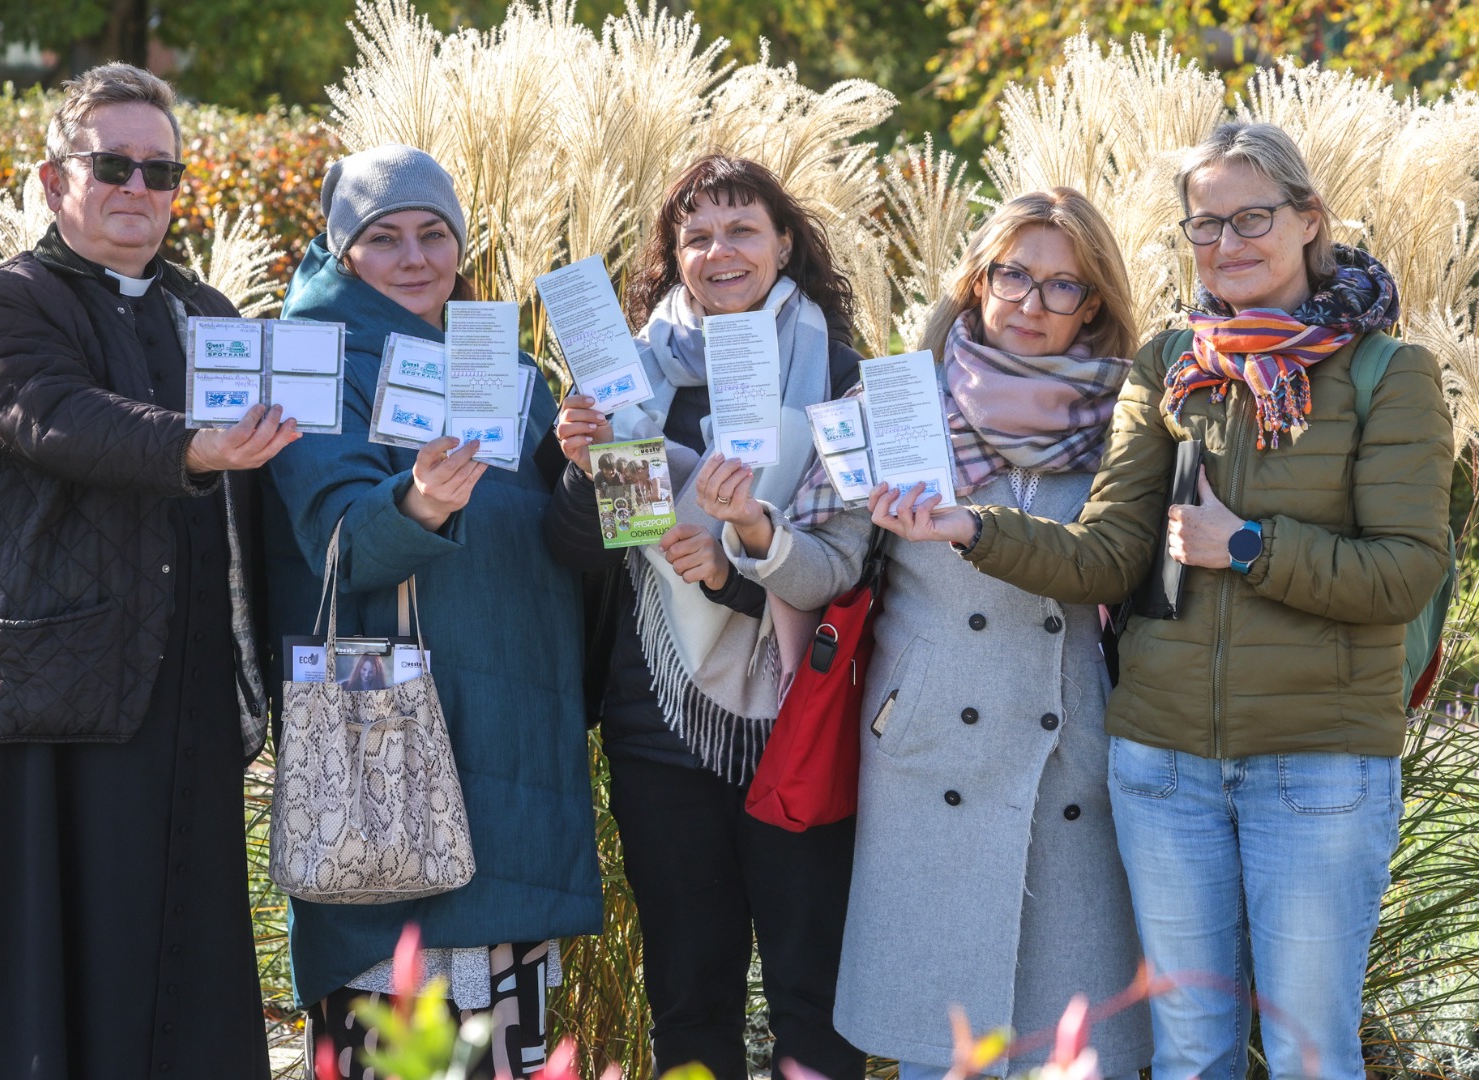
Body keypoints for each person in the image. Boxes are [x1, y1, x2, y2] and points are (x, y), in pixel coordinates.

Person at [907, 123, 1453, 1080]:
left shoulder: (1386, 374)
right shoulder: (1171, 365)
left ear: (1307, 220)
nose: (1227, 243)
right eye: (1205, 225)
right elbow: (1109, 556)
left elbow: (1404, 573)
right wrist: (971, 528)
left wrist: (1246, 546)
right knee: (1189, 1051)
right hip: (1164, 770)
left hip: (1317, 769)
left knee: (1308, 1051)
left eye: (1251, 218)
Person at [0, 64, 297, 1080]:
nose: (136, 187)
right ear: (51, 178)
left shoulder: (209, 313)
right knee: (29, 1004)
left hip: (179, 710)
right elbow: (60, 421)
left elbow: (278, 473)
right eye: (111, 163)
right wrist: (200, 446)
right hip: (31, 708)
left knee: (168, 990)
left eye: (160, 170)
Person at [705, 188, 1153, 1076]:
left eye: (1062, 287)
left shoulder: (1130, 421)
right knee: (945, 1047)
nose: (1029, 302)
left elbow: (1132, 568)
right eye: (1012, 275)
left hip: (1078, 760)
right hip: (931, 754)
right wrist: (756, 531)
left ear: (1093, 302)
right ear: (975, 281)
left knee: (1074, 1050)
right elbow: (829, 570)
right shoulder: (895, 406)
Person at [261, 144, 602, 1080]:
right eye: (383, 237)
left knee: (507, 1037)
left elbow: (567, 545)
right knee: (403, 1029)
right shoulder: (308, 359)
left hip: (517, 744)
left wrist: (581, 466)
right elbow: (332, 541)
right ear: (341, 250)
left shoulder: (508, 367)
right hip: (391, 738)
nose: (415, 258)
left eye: (434, 234)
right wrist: (417, 501)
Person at [543, 153, 865, 1079]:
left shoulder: (840, 377)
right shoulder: (632, 379)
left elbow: (853, 568)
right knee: (689, 1000)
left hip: (800, 719)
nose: (719, 251)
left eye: (741, 230)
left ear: (785, 243)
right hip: (659, 722)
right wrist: (581, 464)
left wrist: (734, 571)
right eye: (696, 236)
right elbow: (579, 551)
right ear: (672, 255)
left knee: (815, 997)